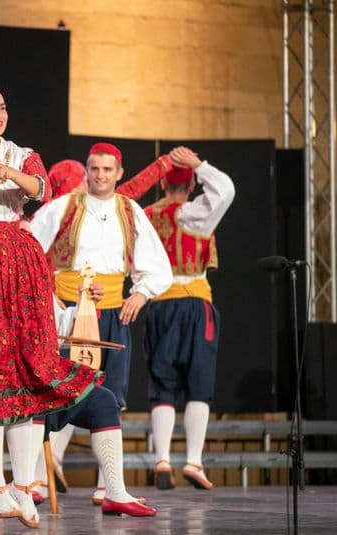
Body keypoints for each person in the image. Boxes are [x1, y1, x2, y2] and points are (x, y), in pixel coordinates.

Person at [0, 23, 114, 529]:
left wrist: (5, 173)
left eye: (2, 106)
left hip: (20, 259)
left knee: (30, 364)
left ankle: (26, 481)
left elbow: (38, 183)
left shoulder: (19, 153)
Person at [30, 142, 173, 505]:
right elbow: (28, 250)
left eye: (107, 170)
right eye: (94, 169)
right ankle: (34, 478)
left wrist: (141, 293)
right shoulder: (63, 207)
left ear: (119, 173)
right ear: (86, 172)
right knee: (62, 391)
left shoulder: (130, 211)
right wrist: (51, 297)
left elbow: (155, 262)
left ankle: (106, 484)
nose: (100, 176)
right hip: (70, 315)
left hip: (112, 312)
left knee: (113, 397)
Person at [143, 146, 235, 491]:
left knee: (162, 381)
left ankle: (162, 459)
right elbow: (225, 189)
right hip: (196, 303)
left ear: (162, 184)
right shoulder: (197, 213)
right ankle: (194, 460)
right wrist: (200, 165)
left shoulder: (146, 215)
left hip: (160, 304)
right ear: (192, 186)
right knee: (199, 381)